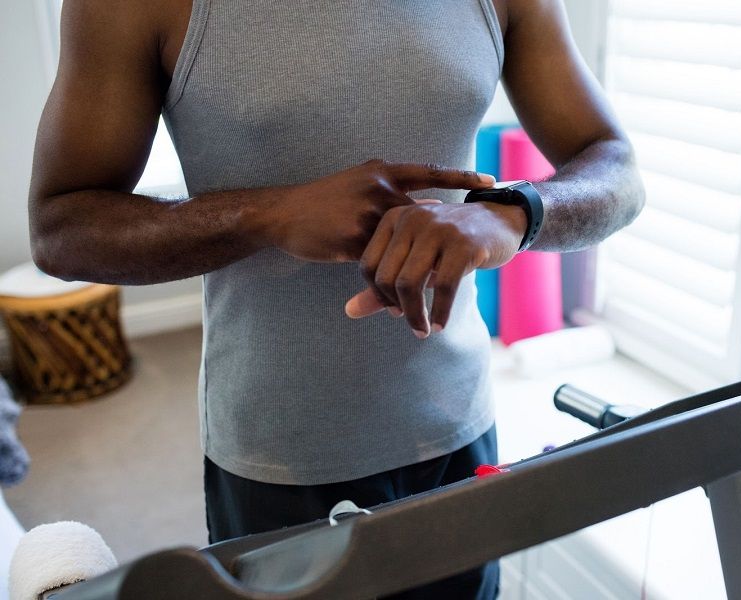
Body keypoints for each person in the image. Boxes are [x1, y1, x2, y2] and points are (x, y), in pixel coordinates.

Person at [28, 0, 644, 597]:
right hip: (277, 449)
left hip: (455, 426)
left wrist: (511, 214)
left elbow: (616, 168)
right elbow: (61, 226)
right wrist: (269, 214)